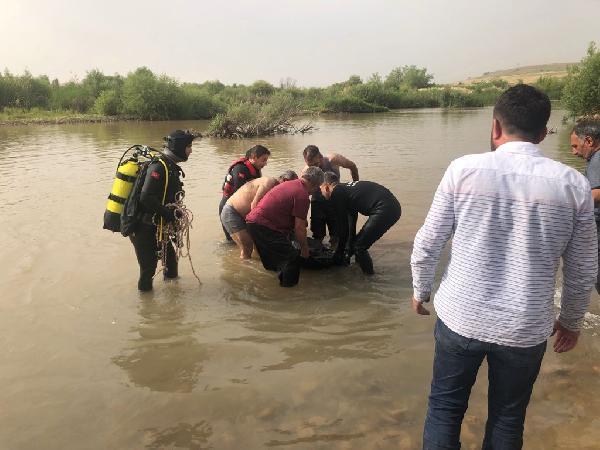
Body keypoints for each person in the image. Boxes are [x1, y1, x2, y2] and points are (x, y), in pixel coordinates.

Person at [410, 84, 597, 449]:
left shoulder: (463, 170)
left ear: (495, 127)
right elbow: (583, 267)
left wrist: (421, 290)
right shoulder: (573, 185)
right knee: (508, 417)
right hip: (524, 328)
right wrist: (572, 322)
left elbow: (428, 241)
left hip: (460, 318)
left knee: (445, 408)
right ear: (543, 133)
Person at [130, 130, 196, 292]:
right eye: (188, 146)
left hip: (159, 227)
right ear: (179, 147)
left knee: (171, 265)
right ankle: (146, 310)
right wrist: (169, 214)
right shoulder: (159, 167)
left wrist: (175, 214)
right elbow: (146, 197)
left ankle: (173, 305)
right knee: (148, 271)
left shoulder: (170, 167)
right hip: (143, 227)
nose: (191, 151)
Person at [246, 166, 324, 287]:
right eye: (316, 188)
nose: (313, 192)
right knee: (292, 258)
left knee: (277, 261)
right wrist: (305, 250)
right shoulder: (302, 195)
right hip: (263, 226)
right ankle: (288, 295)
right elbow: (299, 228)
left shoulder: (291, 183)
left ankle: (270, 288)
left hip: (253, 223)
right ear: (314, 184)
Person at [319, 173, 401, 275]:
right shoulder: (345, 190)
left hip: (385, 209)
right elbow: (351, 220)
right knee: (357, 244)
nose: (320, 193)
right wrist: (348, 248)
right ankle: (358, 268)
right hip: (391, 207)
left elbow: (343, 228)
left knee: (359, 246)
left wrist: (339, 252)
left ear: (326, 186)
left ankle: (370, 280)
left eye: (320, 189)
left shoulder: (336, 193)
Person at [221, 170, 298, 259]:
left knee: (258, 247)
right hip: (232, 213)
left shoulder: (277, 190)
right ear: (285, 181)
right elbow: (254, 205)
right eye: (292, 186)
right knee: (247, 247)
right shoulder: (269, 182)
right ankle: (245, 270)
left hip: (244, 215)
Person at [303, 145, 359, 247]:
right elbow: (303, 194)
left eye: (316, 164)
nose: (314, 168)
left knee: (337, 234)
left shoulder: (333, 159)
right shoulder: (306, 170)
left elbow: (352, 166)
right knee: (317, 236)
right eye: (311, 166)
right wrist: (303, 217)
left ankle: (337, 254)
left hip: (335, 200)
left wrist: (356, 185)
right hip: (317, 202)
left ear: (320, 156)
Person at [570, 117, 600, 294]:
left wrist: (568, 205)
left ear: (588, 140)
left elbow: (597, 193)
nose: (574, 152)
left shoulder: (597, 159)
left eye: (575, 146)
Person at [219, 145, 270, 241]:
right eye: (263, 160)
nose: (265, 163)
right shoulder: (240, 169)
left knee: (247, 240)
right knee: (233, 242)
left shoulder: (255, 170)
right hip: (229, 208)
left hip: (241, 208)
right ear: (254, 157)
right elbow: (240, 191)